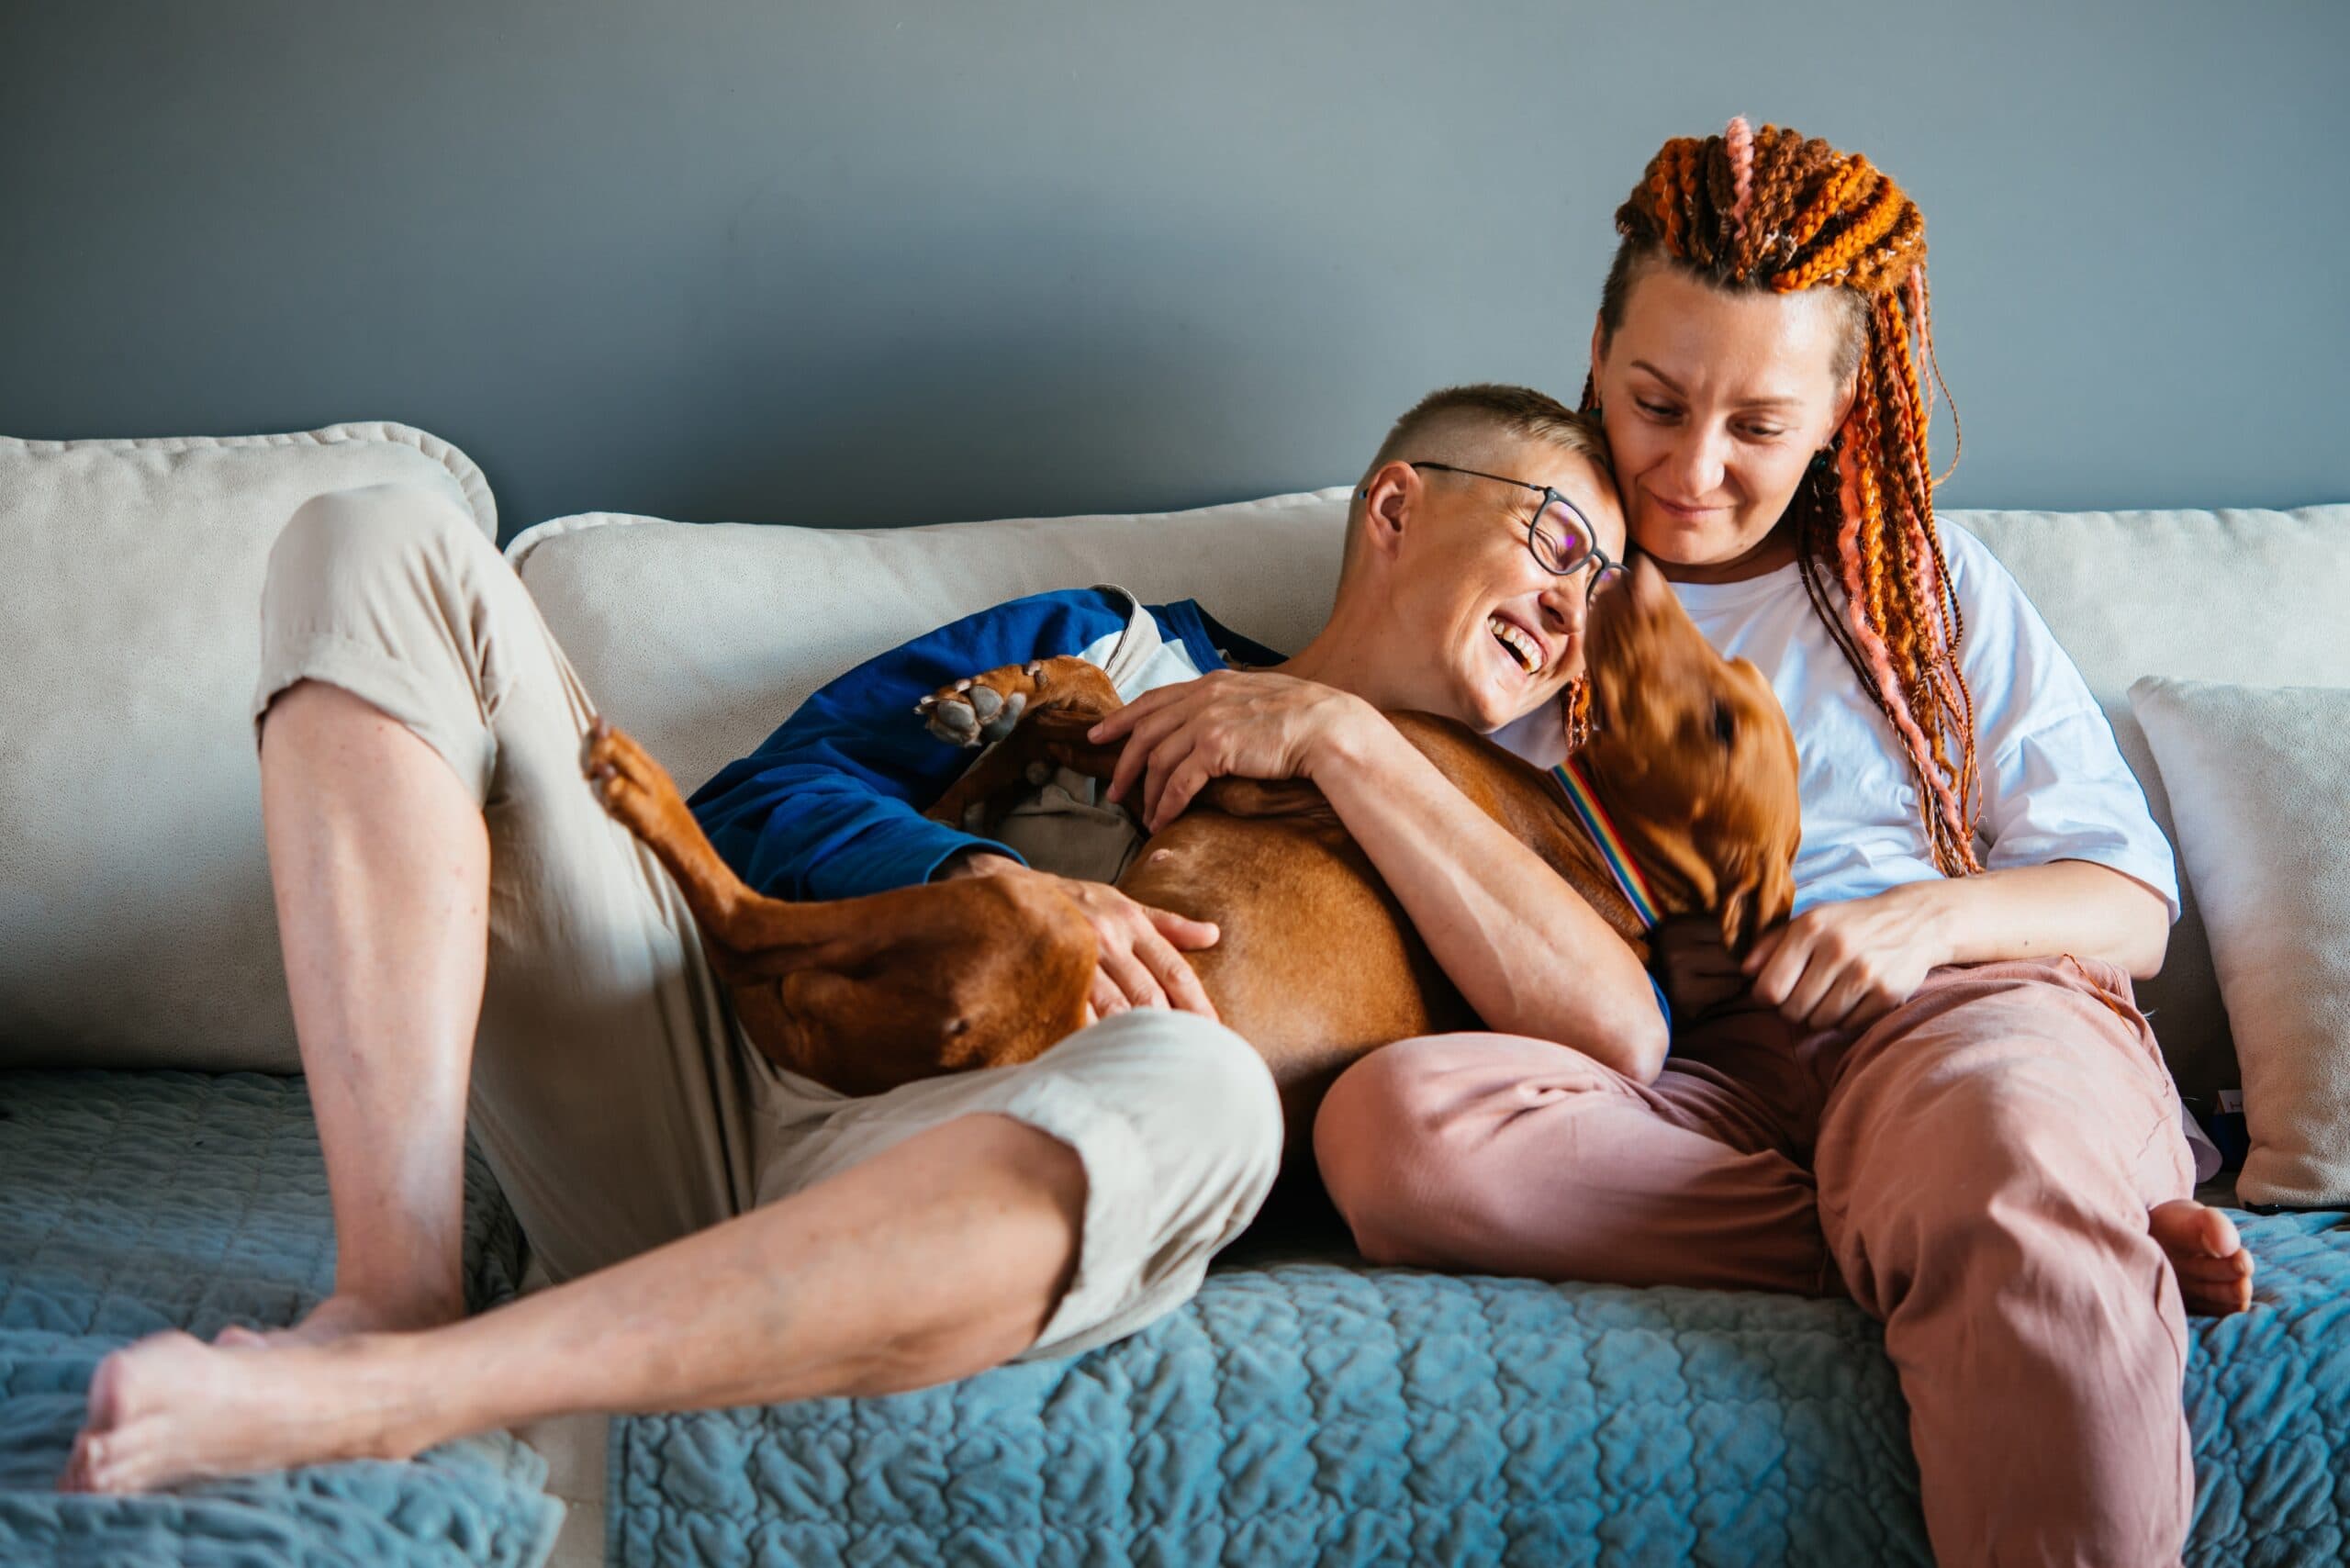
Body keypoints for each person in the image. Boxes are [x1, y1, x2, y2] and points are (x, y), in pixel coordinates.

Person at [61, 383, 1657, 1493]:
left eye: (1612, 595)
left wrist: (1339, 744)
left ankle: (406, 1397)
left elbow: (1620, 1036)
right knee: (374, 534)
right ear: (1399, 504)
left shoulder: (1508, 839)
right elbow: (767, 800)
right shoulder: (1102, 643)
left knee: (1216, 1093)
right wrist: (1002, 880)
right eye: (1562, 545)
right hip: (696, 1072)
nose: (1574, 614)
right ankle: (390, 1290)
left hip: (975, 1182)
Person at [1315, 122, 2252, 1567]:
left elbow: (2131, 904)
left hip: (1961, 1028)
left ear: (1840, 409)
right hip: (1705, 1080)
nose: (1692, 468)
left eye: (1757, 426)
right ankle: (2040, 1234)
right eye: (1655, 401)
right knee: (1390, 1134)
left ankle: (2021, 1207)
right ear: (1597, 349)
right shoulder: (1534, 585)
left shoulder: (1916, 586)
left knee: (1991, 1145)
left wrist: (1919, 924)